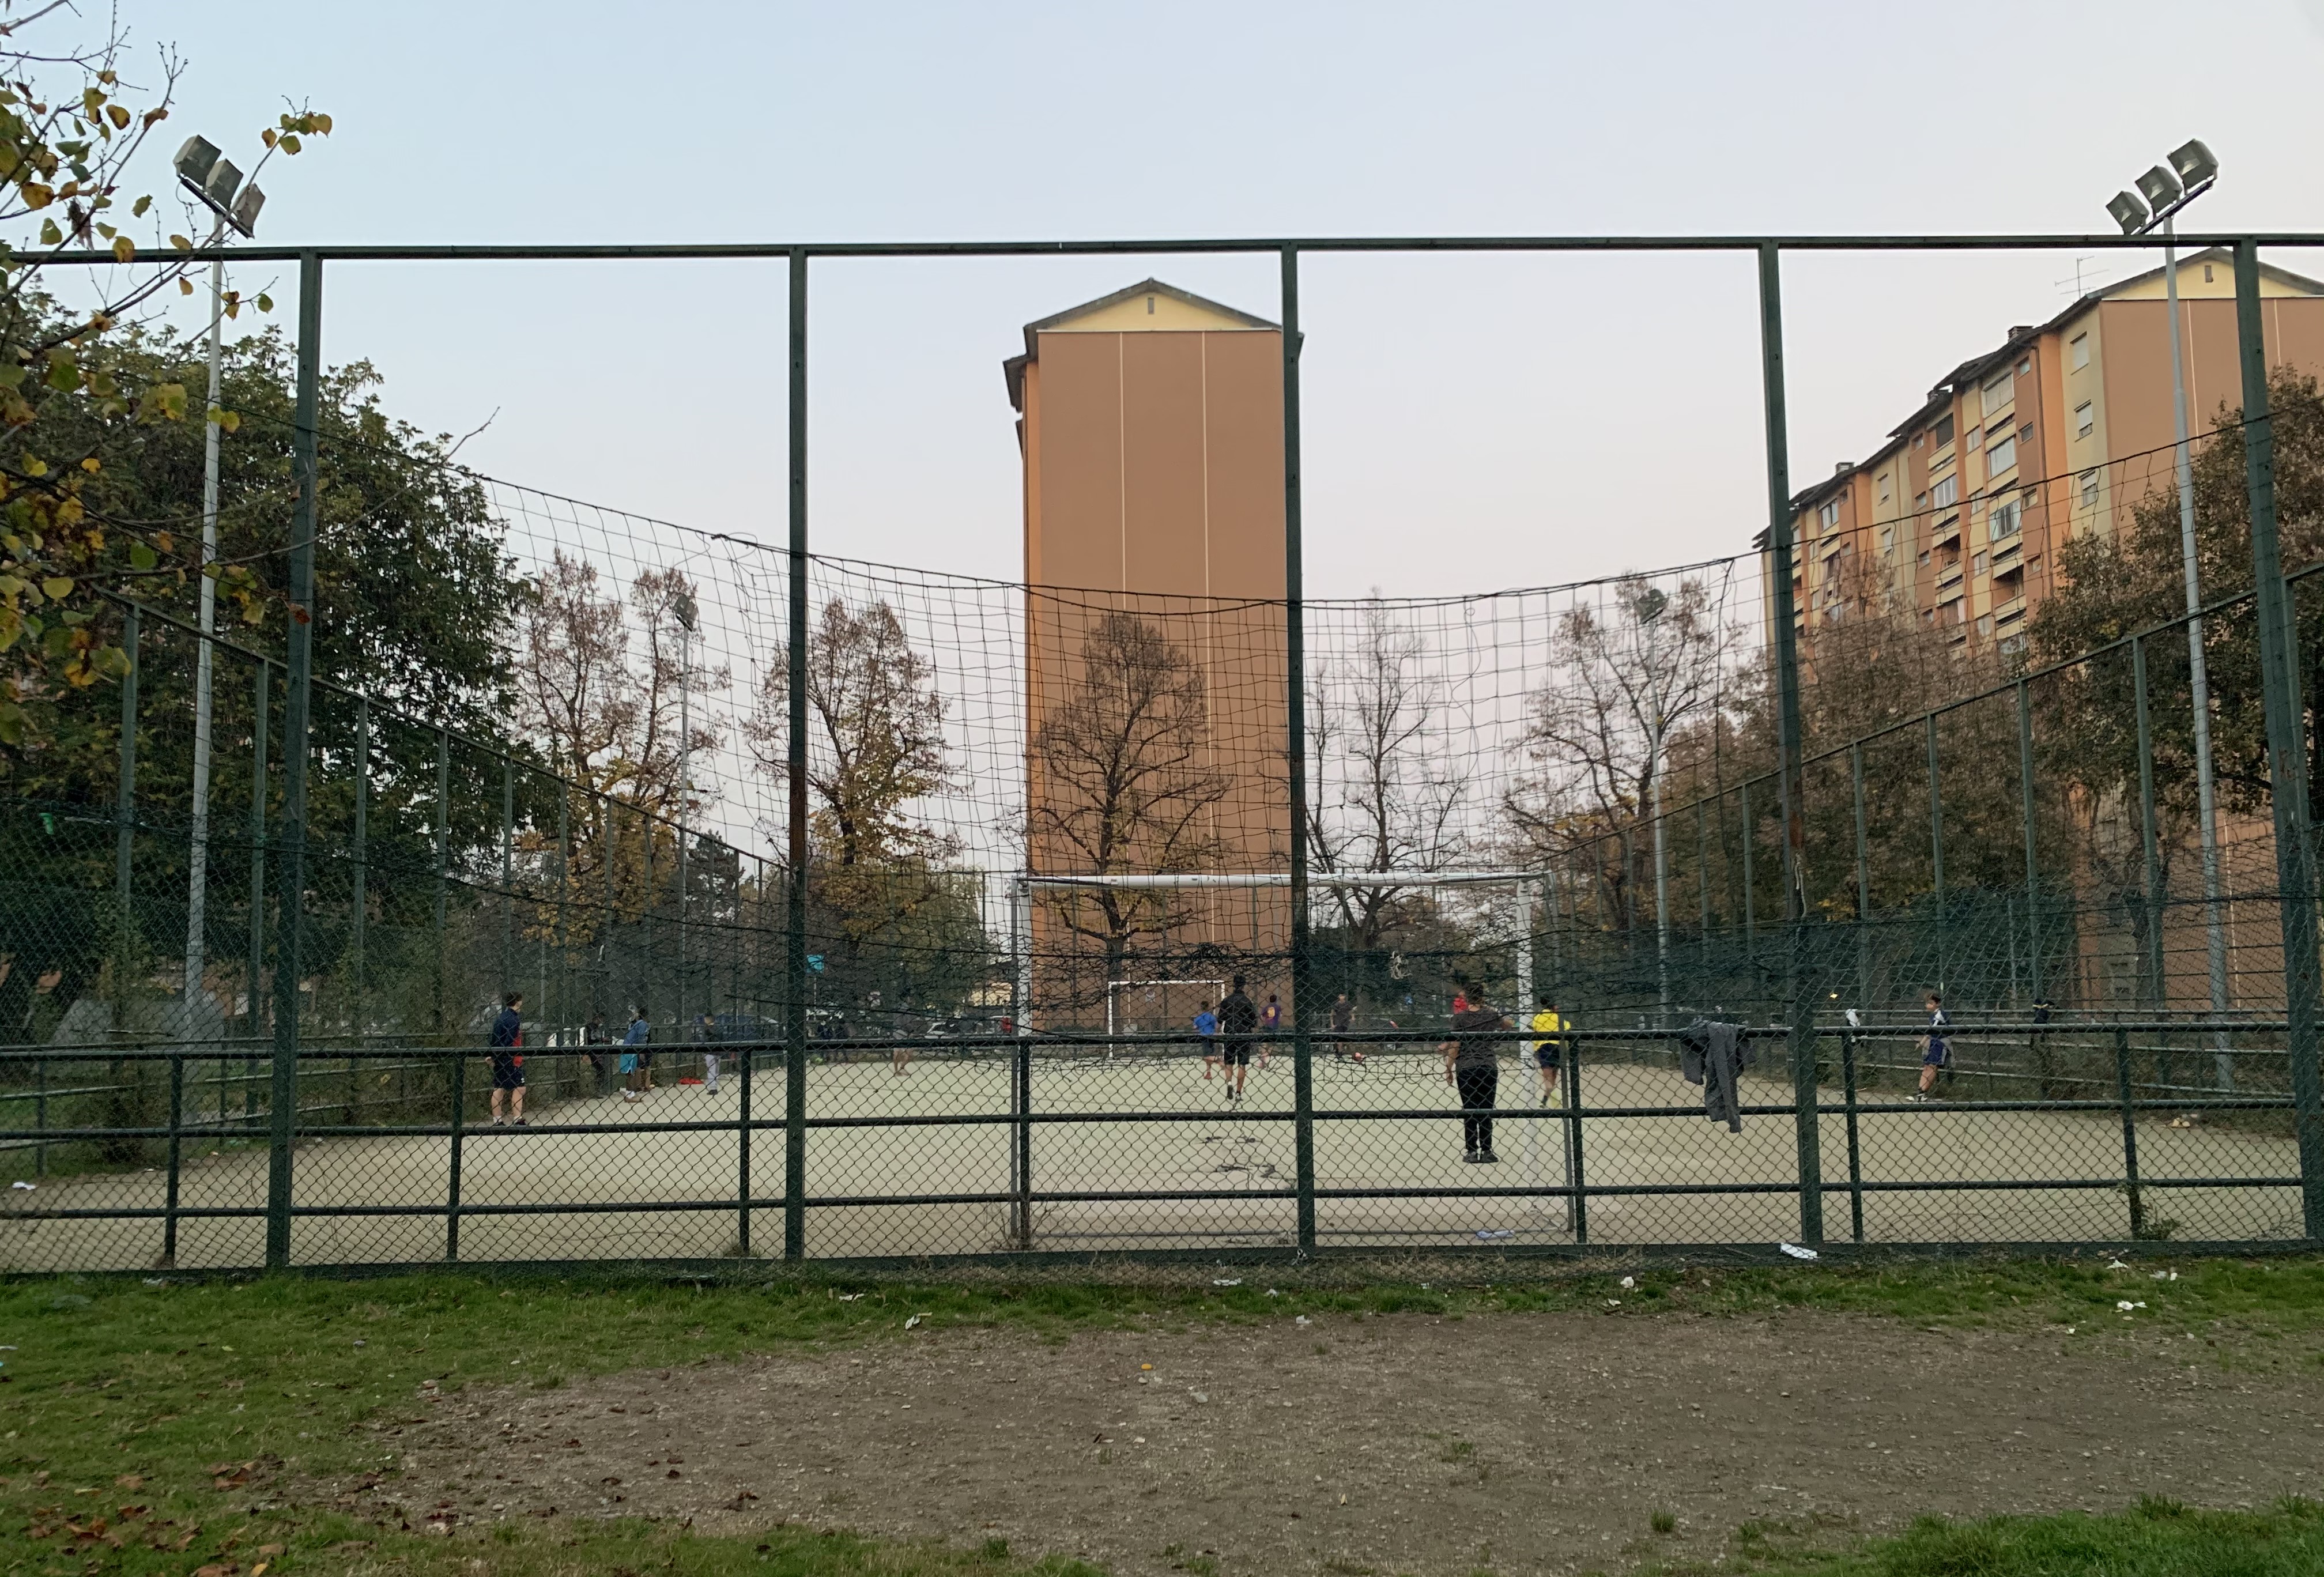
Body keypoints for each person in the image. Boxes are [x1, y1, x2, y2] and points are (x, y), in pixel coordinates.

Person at [1442, 986, 1507, 1163]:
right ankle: (1487, 1150)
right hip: (1487, 1065)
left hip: (1466, 1066)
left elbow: (1455, 1044)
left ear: (1467, 998)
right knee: (1486, 1108)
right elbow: (1509, 1024)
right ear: (1483, 997)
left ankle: (1472, 1150)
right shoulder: (1490, 1015)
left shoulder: (1460, 1017)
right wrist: (1493, 1011)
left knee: (1470, 1108)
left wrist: (1449, 1067)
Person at [488, 991, 527, 1127]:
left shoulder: (501, 1018)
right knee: (520, 1087)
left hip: (500, 1058)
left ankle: (497, 1119)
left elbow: (494, 1038)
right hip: (512, 1058)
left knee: (499, 1087)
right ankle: (517, 1118)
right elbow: (509, 1040)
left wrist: (493, 1055)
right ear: (517, 1001)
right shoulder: (514, 1019)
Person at [1218, 976, 1259, 1103]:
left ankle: (1229, 1082)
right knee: (1242, 1064)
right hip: (1244, 1034)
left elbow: (1220, 1019)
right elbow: (1253, 1022)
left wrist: (1217, 1030)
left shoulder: (1227, 1001)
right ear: (1244, 985)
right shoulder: (1248, 1002)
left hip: (1230, 1032)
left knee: (1229, 1062)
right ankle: (1238, 1092)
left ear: (1233, 985)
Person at [1529, 995, 1566, 1107]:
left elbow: (1534, 1029)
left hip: (1544, 1046)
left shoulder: (1538, 1017)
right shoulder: (1558, 1018)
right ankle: (1546, 1099)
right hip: (1558, 1046)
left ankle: (1553, 1096)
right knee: (1554, 1075)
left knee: (1547, 1075)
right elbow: (1567, 1027)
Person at [1913, 991, 1950, 1101]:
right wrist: (1922, 1042)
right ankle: (1920, 1092)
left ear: (1938, 1004)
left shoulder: (1940, 1015)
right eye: (1927, 1003)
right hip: (1933, 1042)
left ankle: (1923, 1092)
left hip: (1940, 1043)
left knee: (1933, 1067)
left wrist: (1923, 1041)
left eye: (1930, 1003)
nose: (1927, 1005)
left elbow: (1932, 1030)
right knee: (1927, 1067)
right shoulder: (1932, 1015)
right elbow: (1930, 1032)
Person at [620, 1006, 650, 1103]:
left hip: (630, 1048)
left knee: (631, 1073)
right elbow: (641, 1038)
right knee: (630, 1073)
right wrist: (641, 1051)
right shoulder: (643, 1024)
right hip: (632, 1049)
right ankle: (630, 1096)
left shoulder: (638, 1023)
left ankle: (631, 1094)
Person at [1329, 992, 1363, 1064]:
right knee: (1340, 1041)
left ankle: (1345, 1053)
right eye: (1341, 996)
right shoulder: (1336, 1005)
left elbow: (1351, 1011)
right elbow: (1332, 1015)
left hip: (1346, 1023)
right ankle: (1340, 1055)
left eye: (1343, 996)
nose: (1342, 997)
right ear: (1339, 997)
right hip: (1338, 1023)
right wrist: (1332, 1024)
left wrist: (1353, 1018)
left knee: (1347, 1039)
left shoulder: (1347, 1004)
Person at [583, 1010, 611, 1093]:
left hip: (597, 1050)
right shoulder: (591, 1027)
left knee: (601, 1070)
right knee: (601, 1070)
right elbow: (592, 1039)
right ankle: (597, 1089)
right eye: (601, 1019)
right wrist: (602, 1039)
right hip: (593, 1051)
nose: (602, 1021)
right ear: (598, 1018)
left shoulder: (596, 1027)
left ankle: (598, 1088)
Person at [695, 1011, 721, 1093]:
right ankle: (715, 1086)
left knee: (711, 1070)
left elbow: (704, 1040)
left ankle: (713, 1088)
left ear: (707, 1019)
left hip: (709, 1052)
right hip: (718, 1052)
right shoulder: (719, 1028)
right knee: (716, 1070)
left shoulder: (706, 1029)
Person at [1194, 1001, 1221, 1079]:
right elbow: (1216, 1027)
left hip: (1204, 1037)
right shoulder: (1212, 1017)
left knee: (1206, 1056)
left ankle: (1218, 1061)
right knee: (1209, 1055)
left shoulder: (1199, 1018)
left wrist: (1199, 1025)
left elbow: (1195, 1028)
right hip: (1212, 1037)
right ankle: (1209, 1073)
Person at [1257, 993, 1282, 1069]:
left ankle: (1263, 1058)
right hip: (1274, 1027)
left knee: (1265, 1043)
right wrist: (1277, 1020)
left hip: (1267, 1026)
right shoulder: (1278, 1007)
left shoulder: (1267, 1007)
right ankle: (1264, 1057)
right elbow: (1280, 1015)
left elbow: (1262, 1016)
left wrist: (1265, 1021)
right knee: (1272, 1045)